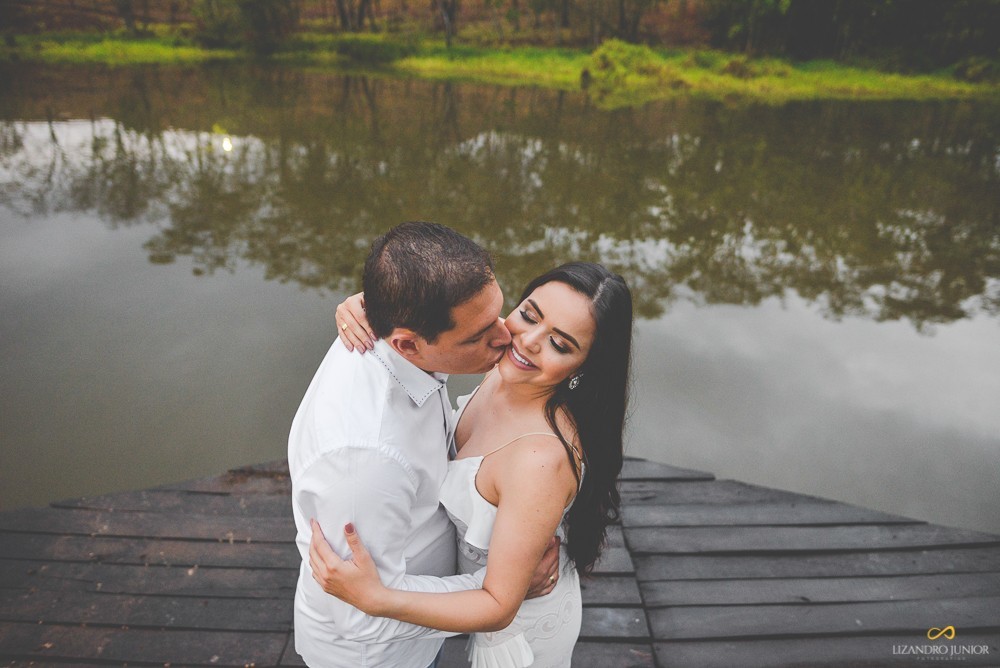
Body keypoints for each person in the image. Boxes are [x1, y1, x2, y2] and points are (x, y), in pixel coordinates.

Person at [310, 261, 633, 667]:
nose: (528, 341)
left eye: (561, 344)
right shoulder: (508, 366)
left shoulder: (540, 461)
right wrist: (369, 308)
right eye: (530, 314)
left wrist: (376, 598)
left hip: (516, 635)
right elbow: (440, 321)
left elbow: (499, 605)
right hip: (463, 602)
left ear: (584, 367)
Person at [288, 221, 560, 668]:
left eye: (498, 313)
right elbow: (362, 616)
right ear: (408, 345)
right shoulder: (367, 460)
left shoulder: (397, 321)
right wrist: (497, 586)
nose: (505, 337)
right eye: (478, 336)